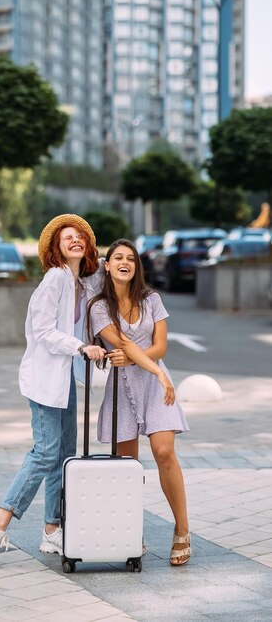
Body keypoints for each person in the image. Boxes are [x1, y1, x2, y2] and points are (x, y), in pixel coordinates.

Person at [0, 214, 107, 569]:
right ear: (56, 247)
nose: (75, 240)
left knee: (63, 455)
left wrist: (116, 260)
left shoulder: (80, 282)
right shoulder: (55, 279)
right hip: (46, 380)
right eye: (67, 237)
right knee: (46, 454)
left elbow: (104, 279)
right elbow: (44, 330)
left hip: (63, 381)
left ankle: (51, 529)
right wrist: (81, 347)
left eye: (80, 236)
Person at [87, 238, 191, 566]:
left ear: (136, 267)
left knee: (163, 452)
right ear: (107, 265)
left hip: (156, 383)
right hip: (122, 389)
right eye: (118, 257)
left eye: (131, 258)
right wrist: (143, 365)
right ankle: (131, 532)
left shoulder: (152, 299)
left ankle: (182, 529)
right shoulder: (99, 307)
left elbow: (159, 348)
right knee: (128, 467)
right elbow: (120, 344)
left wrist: (156, 373)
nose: (125, 262)